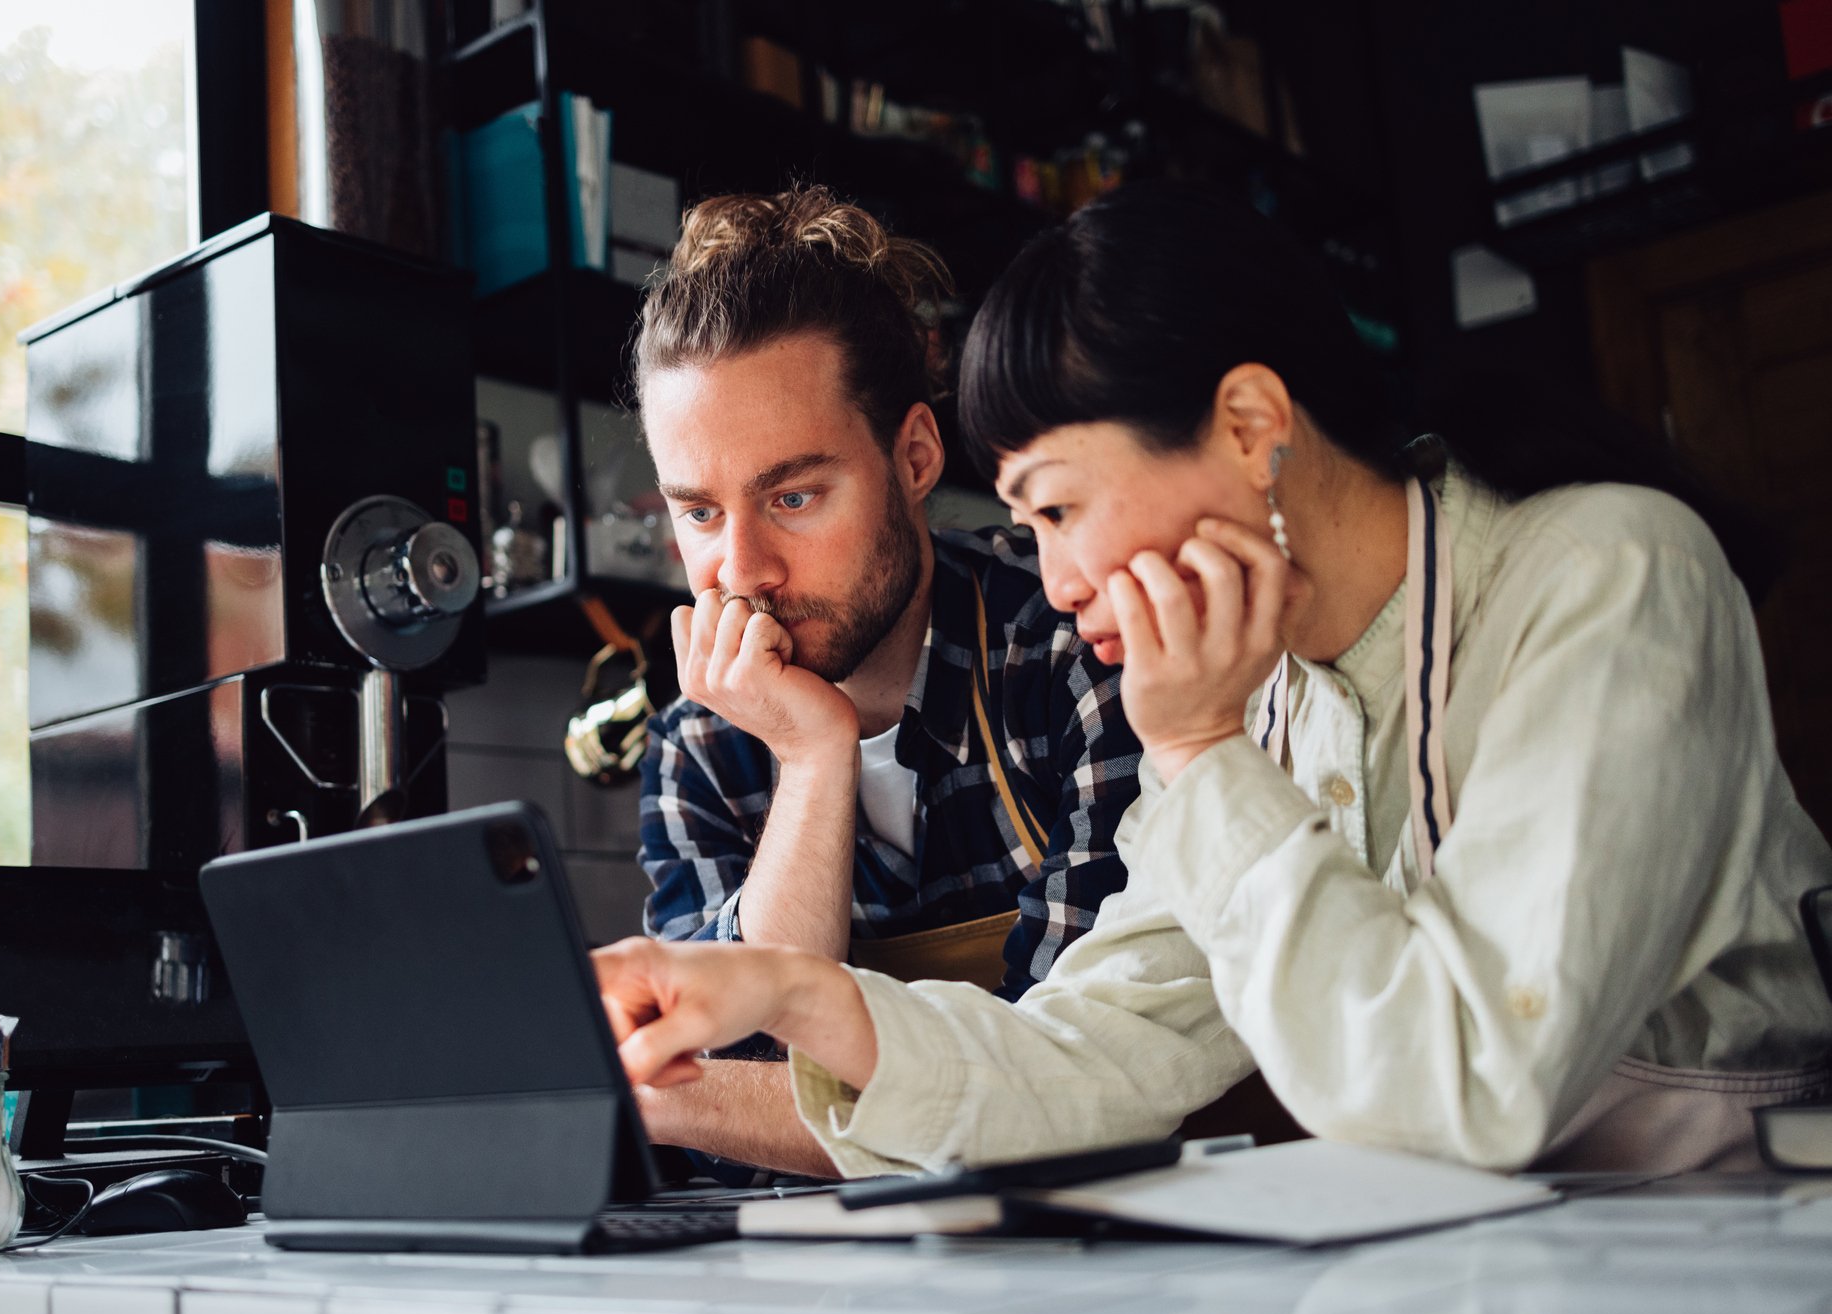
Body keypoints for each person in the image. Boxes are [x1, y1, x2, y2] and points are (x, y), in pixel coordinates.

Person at [596, 182, 1832, 1176]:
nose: (1061, 582)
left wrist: (1195, 752)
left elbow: (1476, 1088)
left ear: (1247, 426)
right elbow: (1093, 1055)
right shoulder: (1269, 689)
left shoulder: (1607, 573)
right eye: (1032, 532)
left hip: (1740, 1239)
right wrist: (782, 988)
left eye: (1063, 508)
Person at [629, 188, 1143, 1177]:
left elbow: (1066, 1088)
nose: (740, 569)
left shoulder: (1074, 646)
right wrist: (812, 758)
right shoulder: (696, 743)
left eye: (792, 495)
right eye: (698, 513)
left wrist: (693, 1103)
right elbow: (742, 1082)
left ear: (912, 455)